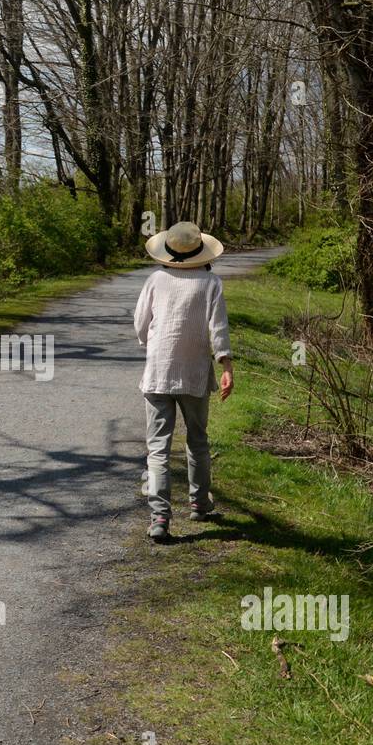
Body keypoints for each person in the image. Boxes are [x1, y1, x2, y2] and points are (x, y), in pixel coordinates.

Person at [133, 221, 233, 543]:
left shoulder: (155, 280)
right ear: (201, 252)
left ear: (169, 251)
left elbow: (140, 324)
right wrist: (226, 365)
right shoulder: (211, 283)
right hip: (194, 374)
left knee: (158, 448)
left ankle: (160, 517)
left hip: (159, 372)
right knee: (198, 440)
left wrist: (152, 343)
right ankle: (199, 504)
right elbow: (218, 330)